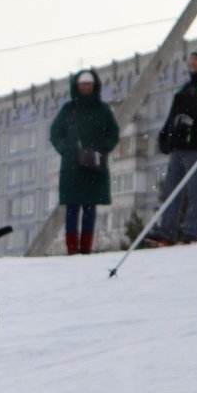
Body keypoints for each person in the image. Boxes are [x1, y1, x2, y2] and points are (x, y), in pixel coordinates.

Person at [146, 46, 197, 246]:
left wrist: (196, 120)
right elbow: (173, 114)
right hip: (180, 145)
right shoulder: (185, 87)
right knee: (171, 189)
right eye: (191, 58)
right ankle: (167, 231)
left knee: (196, 189)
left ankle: (193, 231)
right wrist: (165, 136)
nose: (192, 62)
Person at [48, 68, 121, 254]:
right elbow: (55, 133)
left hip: (93, 168)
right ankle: (72, 249)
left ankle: (85, 249)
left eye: (89, 84)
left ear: (94, 86)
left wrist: (101, 149)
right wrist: (68, 150)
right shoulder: (68, 109)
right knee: (72, 209)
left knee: (90, 208)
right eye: (82, 84)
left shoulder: (102, 110)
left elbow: (113, 133)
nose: (86, 88)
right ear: (76, 86)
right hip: (72, 169)